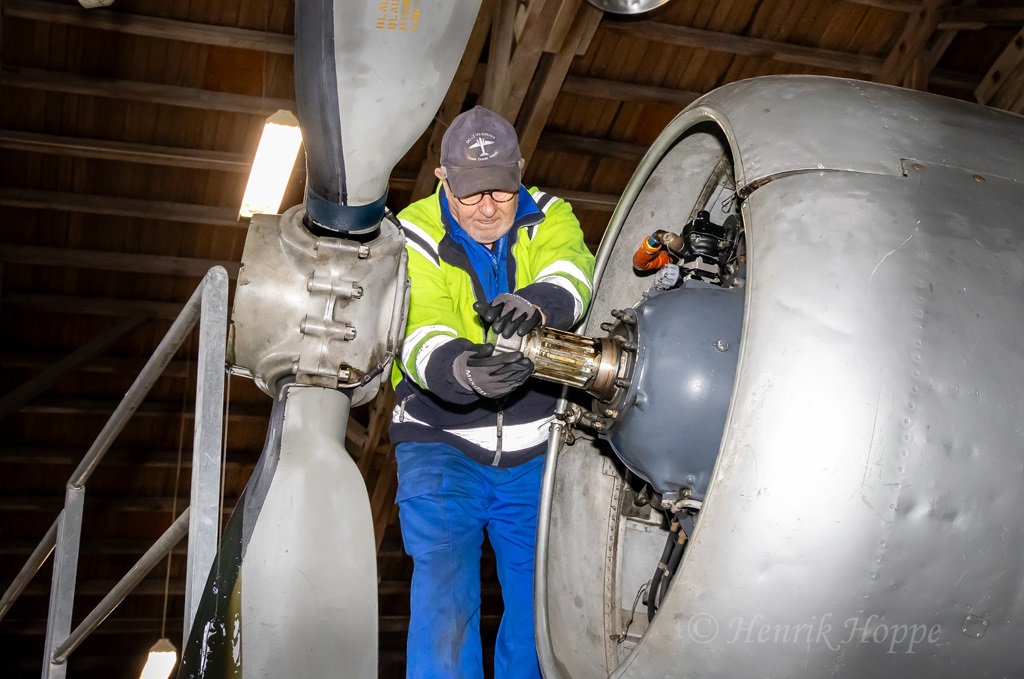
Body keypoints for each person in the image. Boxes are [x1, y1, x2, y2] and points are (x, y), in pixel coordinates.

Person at [390, 106, 595, 679]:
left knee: (538, 608)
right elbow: (417, 324)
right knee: (444, 588)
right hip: (439, 443)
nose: (487, 208)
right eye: (471, 193)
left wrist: (539, 305)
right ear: (442, 180)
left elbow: (573, 270)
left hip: (535, 449)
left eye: (501, 192)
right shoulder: (409, 232)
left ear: (520, 171)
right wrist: (457, 370)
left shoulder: (550, 213)